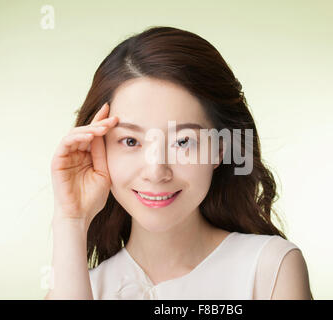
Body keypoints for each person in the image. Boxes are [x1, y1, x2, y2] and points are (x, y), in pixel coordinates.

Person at [45, 26, 313, 300]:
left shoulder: (270, 268)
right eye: (130, 141)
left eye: (183, 142)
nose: (156, 171)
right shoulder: (77, 287)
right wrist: (70, 219)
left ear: (220, 148)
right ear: (98, 148)